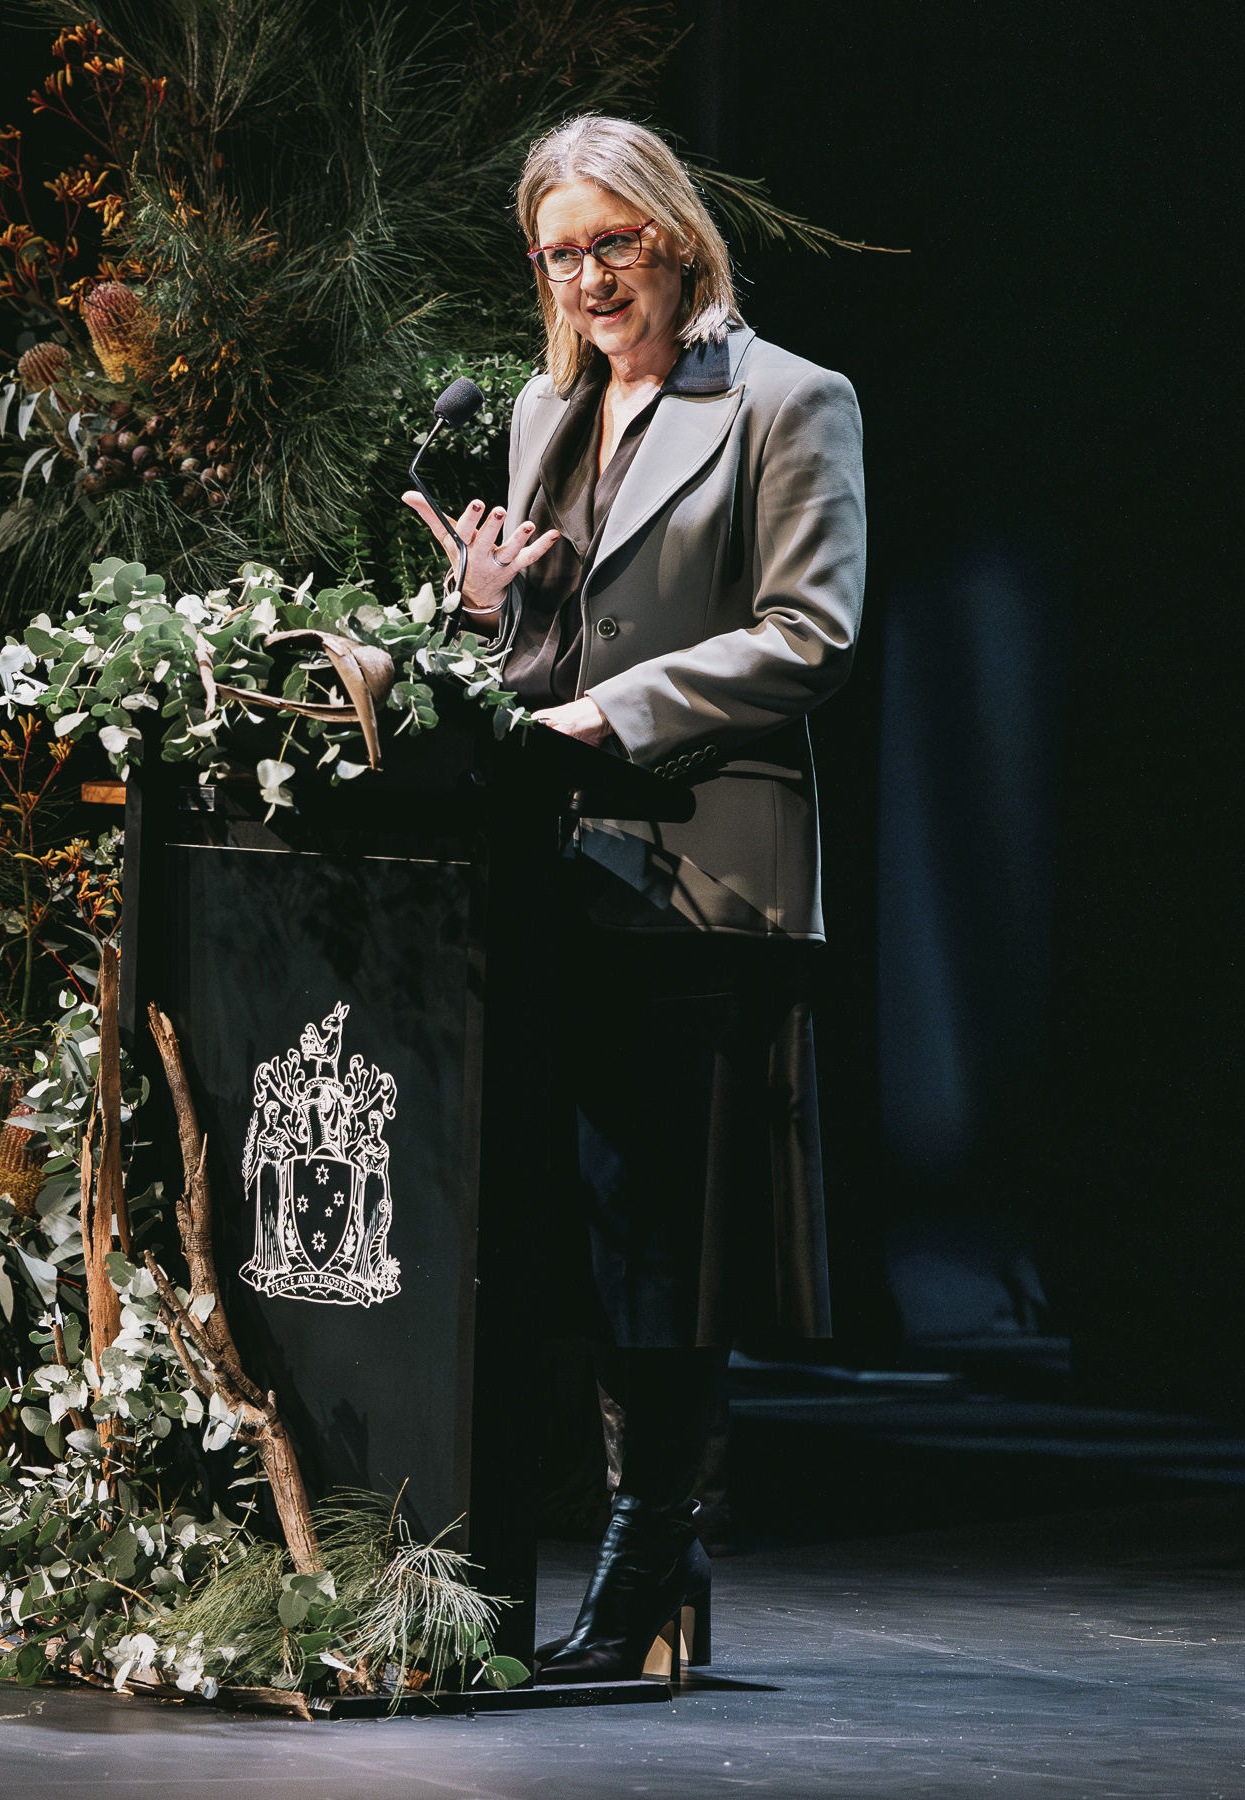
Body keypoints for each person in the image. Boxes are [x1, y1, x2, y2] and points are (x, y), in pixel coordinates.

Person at [401, 115, 865, 1684]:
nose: (591, 277)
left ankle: (650, 1561)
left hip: (696, 873)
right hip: (548, 870)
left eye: (616, 242)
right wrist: (483, 607)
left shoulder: (786, 401)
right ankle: (625, 1569)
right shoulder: (544, 410)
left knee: (659, 1236)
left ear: (676, 236)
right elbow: (535, 649)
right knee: (579, 1224)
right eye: (562, 252)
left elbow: (814, 634)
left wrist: (622, 711)